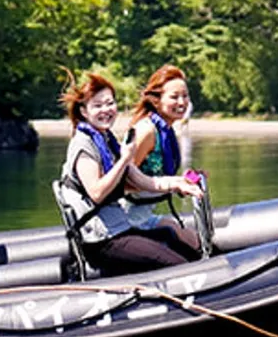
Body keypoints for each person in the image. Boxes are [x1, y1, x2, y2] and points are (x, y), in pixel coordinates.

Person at [58, 71, 202, 276]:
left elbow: (141, 180)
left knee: (170, 236)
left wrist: (178, 183)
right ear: (83, 111)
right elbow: (96, 193)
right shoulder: (83, 145)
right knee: (176, 264)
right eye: (98, 106)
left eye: (110, 103)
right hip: (102, 240)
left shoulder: (107, 139)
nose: (106, 110)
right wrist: (125, 159)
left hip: (119, 227)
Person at [125, 64, 200, 254]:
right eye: (174, 97)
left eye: (185, 96)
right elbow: (121, 183)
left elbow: (159, 177)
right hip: (126, 219)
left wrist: (184, 182)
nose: (182, 102)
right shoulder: (147, 131)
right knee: (183, 241)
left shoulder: (166, 130)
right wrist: (169, 184)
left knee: (193, 239)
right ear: (156, 101)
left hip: (144, 215)